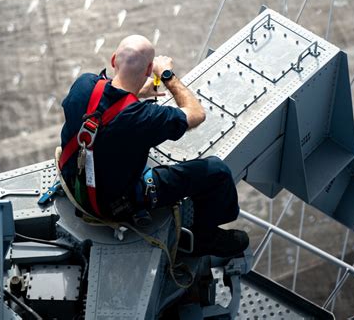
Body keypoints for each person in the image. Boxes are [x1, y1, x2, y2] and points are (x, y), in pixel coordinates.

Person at [60, 34, 249, 258]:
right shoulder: (144, 118)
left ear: (113, 60)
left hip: (74, 182)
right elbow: (196, 114)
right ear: (150, 70)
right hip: (113, 203)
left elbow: (103, 103)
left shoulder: (84, 84)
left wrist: (136, 91)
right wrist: (167, 76)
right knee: (216, 171)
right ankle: (205, 239)